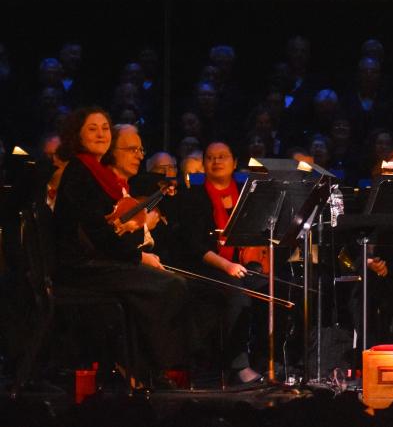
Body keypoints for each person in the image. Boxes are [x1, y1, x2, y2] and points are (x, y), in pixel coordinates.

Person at [52, 107, 187, 386]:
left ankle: (139, 367)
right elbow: (97, 232)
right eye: (92, 128)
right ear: (77, 134)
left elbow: (109, 228)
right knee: (168, 285)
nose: (101, 134)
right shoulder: (80, 171)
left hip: (96, 262)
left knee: (164, 283)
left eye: (105, 128)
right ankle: (148, 368)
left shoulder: (94, 171)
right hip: (81, 267)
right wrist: (138, 257)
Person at [162, 141, 263, 385]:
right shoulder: (193, 197)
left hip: (243, 264)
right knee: (237, 293)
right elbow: (195, 246)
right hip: (207, 267)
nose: (216, 161)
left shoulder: (247, 193)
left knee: (274, 287)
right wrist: (227, 266)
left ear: (234, 162)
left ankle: (270, 359)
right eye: (210, 157)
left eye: (222, 156)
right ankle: (238, 365)